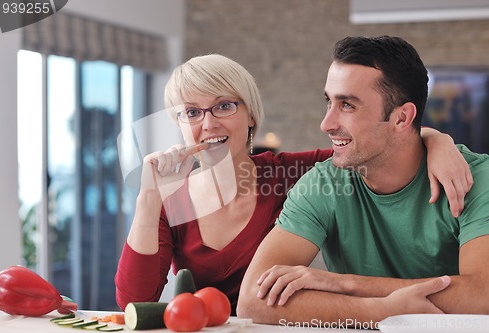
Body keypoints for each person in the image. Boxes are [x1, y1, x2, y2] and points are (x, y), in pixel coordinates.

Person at [115, 53, 473, 314]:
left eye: (224, 106)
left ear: (251, 114)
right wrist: (150, 198)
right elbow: (135, 303)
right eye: (191, 112)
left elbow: (374, 145)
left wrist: (435, 139)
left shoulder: (291, 174)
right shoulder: (168, 200)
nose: (208, 124)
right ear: (178, 123)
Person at [237, 36, 489, 325]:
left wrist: (344, 284)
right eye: (329, 102)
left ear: (401, 118)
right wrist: (380, 310)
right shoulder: (323, 185)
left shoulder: (476, 180)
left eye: (348, 105)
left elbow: (482, 296)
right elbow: (253, 301)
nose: (326, 124)